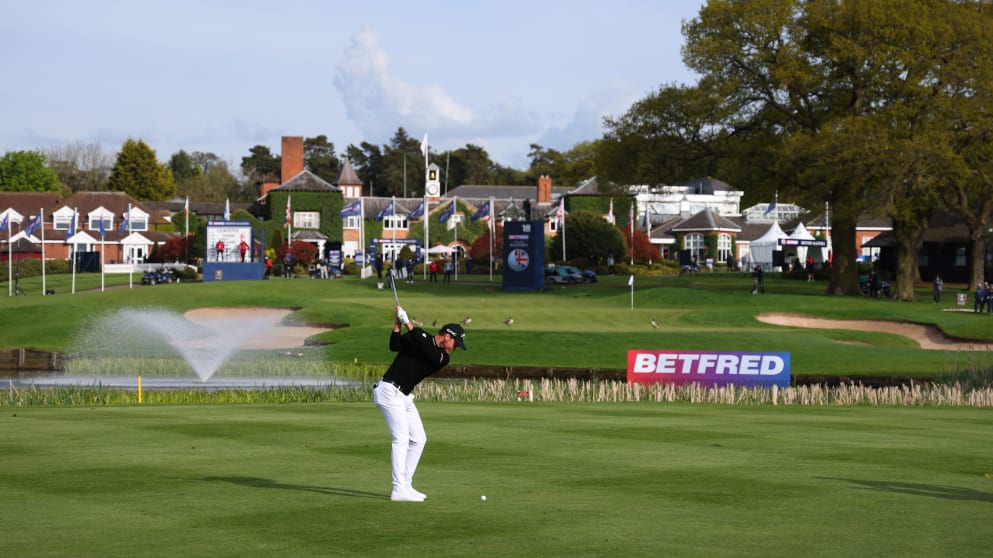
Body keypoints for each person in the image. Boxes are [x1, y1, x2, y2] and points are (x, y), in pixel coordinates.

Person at [373, 307, 466, 502]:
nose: (455, 348)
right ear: (447, 336)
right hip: (389, 391)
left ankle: (406, 485)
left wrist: (408, 323)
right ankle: (398, 489)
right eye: (456, 343)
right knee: (401, 438)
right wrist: (398, 324)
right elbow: (395, 345)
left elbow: (427, 351)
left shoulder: (442, 357)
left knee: (419, 439)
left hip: (404, 396)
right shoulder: (421, 336)